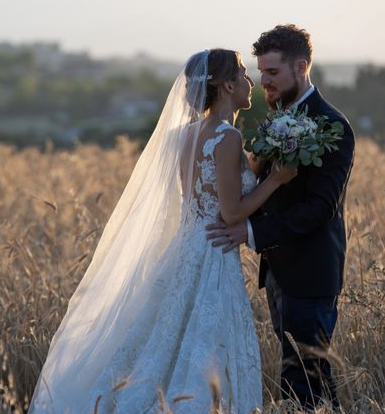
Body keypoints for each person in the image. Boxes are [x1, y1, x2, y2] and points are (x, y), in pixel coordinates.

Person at [28, 49, 295, 413]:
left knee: (162, 341)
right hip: (212, 253)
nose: (251, 82)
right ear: (228, 85)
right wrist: (276, 181)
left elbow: (207, 190)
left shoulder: (183, 135)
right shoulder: (228, 137)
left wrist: (258, 160)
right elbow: (231, 212)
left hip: (184, 246)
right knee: (203, 347)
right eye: (244, 74)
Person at [207, 25, 355, 410]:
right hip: (277, 273)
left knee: (302, 382)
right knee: (308, 381)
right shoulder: (276, 120)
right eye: (261, 73)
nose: (264, 82)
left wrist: (251, 230)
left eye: (272, 73)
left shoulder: (332, 126)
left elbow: (320, 208)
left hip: (309, 274)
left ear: (301, 66)